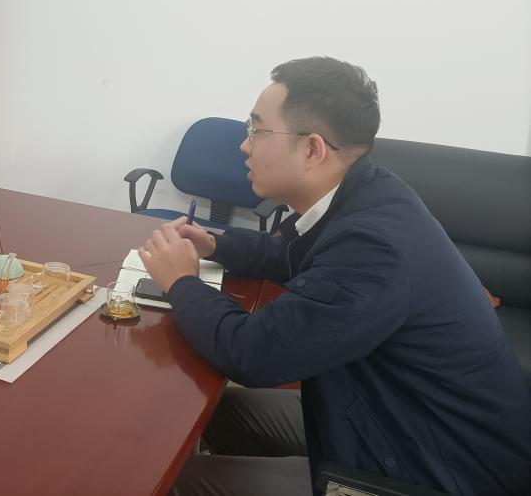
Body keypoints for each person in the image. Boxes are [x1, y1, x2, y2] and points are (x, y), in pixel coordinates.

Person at [139, 57, 531, 496]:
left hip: (431, 470)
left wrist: (182, 283)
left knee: (178, 481)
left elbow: (252, 354)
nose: (244, 146)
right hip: (382, 410)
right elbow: (290, 254)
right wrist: (215, 244)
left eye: (257, 130)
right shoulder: (368, 192)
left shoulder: (373, 249)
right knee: (218, 412)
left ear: (313, 149)